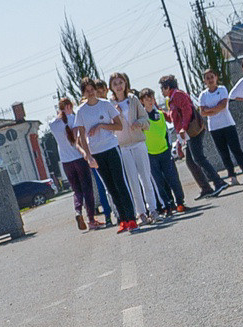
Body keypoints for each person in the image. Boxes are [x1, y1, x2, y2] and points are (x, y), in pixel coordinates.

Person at [73, 75, 140, 231]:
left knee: (120, 183)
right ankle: (122, 220)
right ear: (83, 93)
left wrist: (102, 126)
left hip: (111, 148)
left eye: (92, 90)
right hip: (97, 153)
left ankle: (131, 218)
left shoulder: (105, 105)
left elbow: (118, 126)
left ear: (96, 90)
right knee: (110, 187)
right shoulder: (81, 111)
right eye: (87, 91)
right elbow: (81, 136)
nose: (90, 93)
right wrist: (88, 156)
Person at [107, 73, 163, 222]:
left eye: (121, 82)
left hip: (138, 143)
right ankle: (141, 213)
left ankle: (153, 209)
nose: (119, 86)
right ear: (111, 87)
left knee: (145, 177)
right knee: (132, 181)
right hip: (123, 147)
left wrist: (139, 122)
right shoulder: (110, 104)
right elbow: (111, 127)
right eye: (115, 84)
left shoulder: (133, 99)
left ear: (126, 83)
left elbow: (146, 119)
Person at [161, 75, 223, 196]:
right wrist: (160, 112)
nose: (162, 92)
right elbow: (172, 118)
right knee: (190, 161)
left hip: (192, 130)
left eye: (162, 88)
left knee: (198, 158)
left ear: (167, 87)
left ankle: (218, 182)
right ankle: (206, 188)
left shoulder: (178, 95)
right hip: (187, 134)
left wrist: (184, 127)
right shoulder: (171, 99)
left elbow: (187, 111)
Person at [46, 96, 102, 231]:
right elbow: (80, 140)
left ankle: (78, 211)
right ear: (69, 107)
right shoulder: (74, 119)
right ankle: (91, 219)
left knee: (76, 190)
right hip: (79, 159)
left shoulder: (53, 124)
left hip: (66, 162)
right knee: (87, 189)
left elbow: (58, 124)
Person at [196, 68, 243, 181]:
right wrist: (214, 109)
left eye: (212, 77)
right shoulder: (203, 95)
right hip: (215, 128)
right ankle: (232, 176)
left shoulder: (222, 89)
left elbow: (223, 106)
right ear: (204, 81)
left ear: (216, 77)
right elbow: (202, 112)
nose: (210, 80)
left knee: (236, 149)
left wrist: (210, 110)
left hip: (227, 124)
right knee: (223, 153)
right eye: (208, 78)